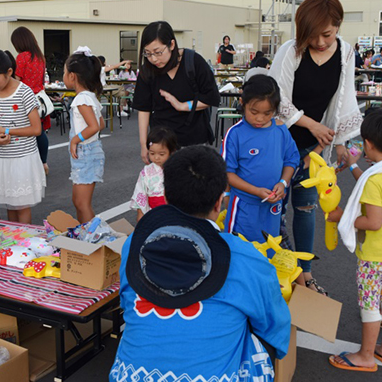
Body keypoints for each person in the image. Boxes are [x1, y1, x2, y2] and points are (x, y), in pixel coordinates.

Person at [109, 145, 291, 382]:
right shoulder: (243, 256)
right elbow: (273, 328)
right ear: (219, 203)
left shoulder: (135, 244)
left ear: (166, 196)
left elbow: (127, 300)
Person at [269, 0, 363, 295]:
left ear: (337, 26)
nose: (321, 42)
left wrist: (328, 146)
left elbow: (341, 103)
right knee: (275, 207)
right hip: (280, 141)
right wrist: (311, 124)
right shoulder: (290, 50)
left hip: (315, 144)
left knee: (307, 208)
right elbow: (277, 99)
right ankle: (275, 271)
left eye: (327, 34)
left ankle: (305, 275)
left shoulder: (346, 53)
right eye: (313, 35)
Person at [329, 108, 382, 372]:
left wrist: (344, 217)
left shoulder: (375, 181)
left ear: (367, 144)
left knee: (369, 305)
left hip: (375, 255)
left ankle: (366, 355)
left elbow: (373, 222)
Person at [222, 75, 299, 242]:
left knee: (269, 250)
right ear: (243, 104)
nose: (260, 119)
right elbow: (228, 173)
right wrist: (254, 191)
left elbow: (291, 160)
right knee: (240, 250)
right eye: (254, 112)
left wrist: (283, 183)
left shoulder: (280, 130)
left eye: (267, 113)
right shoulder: (235, 134)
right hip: (243, 206)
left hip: (272, 206)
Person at [132, 21, 220, 163]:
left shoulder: (193, 62)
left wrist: (182, 106)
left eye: (158, 52)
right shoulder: (147, 70)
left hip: (193, 140)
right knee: (163, 184)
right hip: (161, 144)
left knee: (193, 183)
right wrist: (144, 145)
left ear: (172, 45)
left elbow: (211, 97)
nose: (153, 59)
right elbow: (144, 108)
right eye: (148, 53)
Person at [0, 50, 45, 224]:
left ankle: (24, 244)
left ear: (8, 72)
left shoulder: (24, 92)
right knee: (9, 206)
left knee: (22, 207)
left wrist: (6, 130)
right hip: (1, 159)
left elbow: (36, 129)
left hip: (22, 159)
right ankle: (14, 244)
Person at [65, 48, 106, 223]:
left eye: (65, 73)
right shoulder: (90, 97)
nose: (63, 77)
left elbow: (94, 126)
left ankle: (91, 239)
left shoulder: (81, 99)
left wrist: (75, 139)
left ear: (73, 76)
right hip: (88, 153)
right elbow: (101, 124)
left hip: (86, 154)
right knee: (79, 202)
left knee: (82, 203)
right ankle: (85, 237)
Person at [10, 27, 51, 174]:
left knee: (26, 132)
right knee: (40, 131)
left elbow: (17, 80)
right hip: (39, 98)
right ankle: (43, 162)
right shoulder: (40, 57)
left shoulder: (22, 57)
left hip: (24, 99)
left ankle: (28, 165)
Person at [130, 126, 178, 221]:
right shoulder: (146, 172)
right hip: (153, 211)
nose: (156, 158)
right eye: (152, 153)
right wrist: (140, 212)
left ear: (172, 152)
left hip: (174, 211)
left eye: (161, 154)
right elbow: (140, 192)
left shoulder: (178, 170)